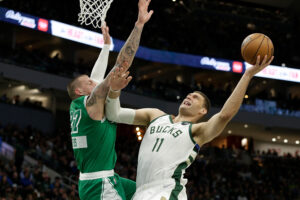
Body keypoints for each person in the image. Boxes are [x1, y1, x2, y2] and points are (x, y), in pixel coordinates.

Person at [105, 55, 274, 200]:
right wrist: (114, 91)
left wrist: (247, 75)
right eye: (189, 94)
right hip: (141, 191)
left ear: (203, 110)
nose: (189, 96)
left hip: (166, 191)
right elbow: (115, 114)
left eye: (195, 97)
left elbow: (224, 115)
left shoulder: (197, 131)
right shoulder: (155, 115)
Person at [66, 0, 153, 199]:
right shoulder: (90, 102)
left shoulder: (80, 105)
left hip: (100, 179)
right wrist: (138, 25)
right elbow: (121, 64)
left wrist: (106, 47)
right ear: (81, 91)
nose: (94, 81)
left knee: (148, 192)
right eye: (89, 82)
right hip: (99, 184)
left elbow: (96, 78)